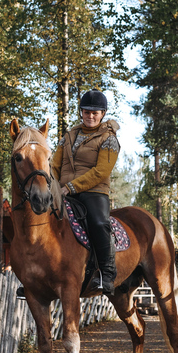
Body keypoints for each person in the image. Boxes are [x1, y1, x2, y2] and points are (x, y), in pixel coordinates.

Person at [51, 88, 120, 295]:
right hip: (62, 190)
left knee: (99, 223)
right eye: (87, 112)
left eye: (95, 113)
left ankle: (107, 274)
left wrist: (70, 187)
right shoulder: (69, 136)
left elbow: (101, 172)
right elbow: (55, 165)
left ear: (103, 114)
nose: (90, 116)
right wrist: (52, 185)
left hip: (94, 190)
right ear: (81, 112)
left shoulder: (109, 139)